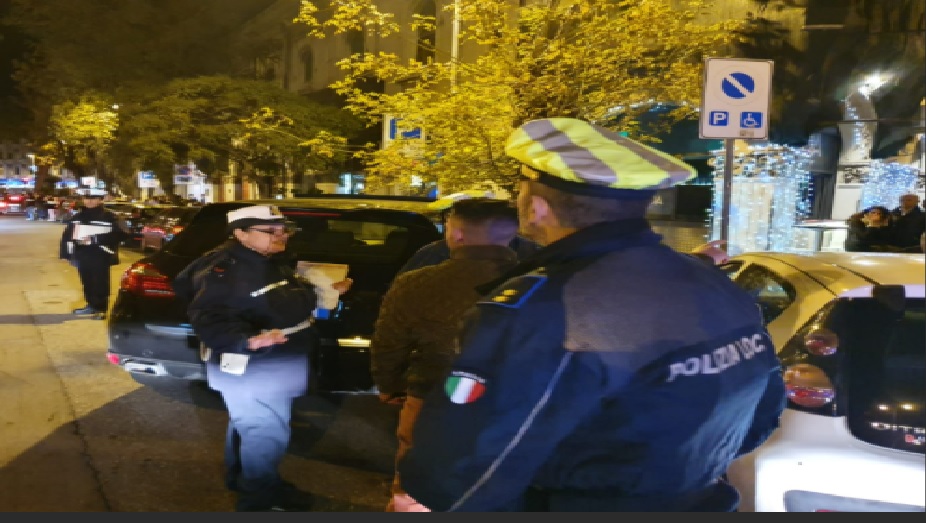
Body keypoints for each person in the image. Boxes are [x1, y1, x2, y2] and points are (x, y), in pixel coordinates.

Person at [397, 117, 787, 512]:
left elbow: (462, 468)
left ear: (537, 208)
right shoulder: (713, 283)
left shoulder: (548, 307)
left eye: (521, 189)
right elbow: (761, 415)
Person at [171, 205, 351, 512]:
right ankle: (258, 500)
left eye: (284, 230)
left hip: (273, 362)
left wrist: (327, 292)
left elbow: (281, 298)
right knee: (265, 433)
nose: (281, 236)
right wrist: (246, 340)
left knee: (250, 426)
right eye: (270, 231)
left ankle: (246, 481)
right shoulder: (225, 270)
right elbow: (208, 317)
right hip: (254, 364)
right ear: (240, 233)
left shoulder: (267, 260)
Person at [371, 198, 521, 512]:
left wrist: (389, 386)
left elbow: (389, 343)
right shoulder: (536, 282)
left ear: (456, 234)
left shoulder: (417, 282)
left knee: (418, 477)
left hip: (432, 391)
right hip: (510, 399)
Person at [59, 188, 129, 320]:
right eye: (87, 198)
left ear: (100, 200)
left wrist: (96, 238)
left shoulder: (110, 216)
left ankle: (101, 309)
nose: (89, 201)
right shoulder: (78, 216)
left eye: (93, 199)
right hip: (82, 253)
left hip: (100, 254)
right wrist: (65, 254)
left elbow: (122, 234)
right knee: (87, 281)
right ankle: (91, 305)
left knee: (100, 282)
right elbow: (67, 235)